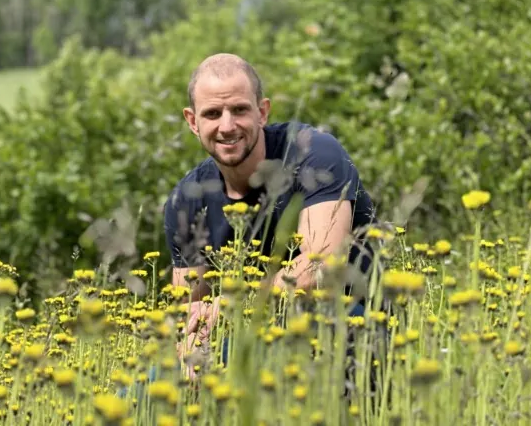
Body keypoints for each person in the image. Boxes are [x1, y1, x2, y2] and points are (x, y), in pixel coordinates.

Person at [163, 53, 383, 383]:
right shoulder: (188, 197)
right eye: (212, 114)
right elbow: (186, 304)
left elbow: (321, 266)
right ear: (193, 122)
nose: (227, 126)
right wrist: (190, 337)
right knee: (148, 391)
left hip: (351, 323)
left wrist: (238, 301)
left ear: (262, 111)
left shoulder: (313, 154)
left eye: (239, 110)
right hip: (253, 335)